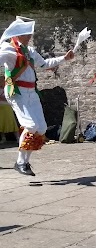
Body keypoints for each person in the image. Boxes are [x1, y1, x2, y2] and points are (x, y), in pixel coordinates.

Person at [0, 16, 74, 176]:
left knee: (40, 128)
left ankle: (23, 162)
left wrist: (64, 58)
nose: (29, 37)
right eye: (27, 34)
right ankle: (21, 162)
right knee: (31, 126)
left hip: (32, 92)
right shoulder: (8, 49)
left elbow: (45, 64)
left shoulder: (30, 51)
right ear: (18, 34)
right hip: (16, 92)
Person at [0, 75, 19, 143]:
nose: (0, 82)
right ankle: (3, 138)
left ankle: (18, 137)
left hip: (8, 108)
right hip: (1, 109)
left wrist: (3, 98)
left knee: (12, 122)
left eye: (2, 81)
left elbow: (11, 97)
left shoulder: (8, 89)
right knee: (1, 123)